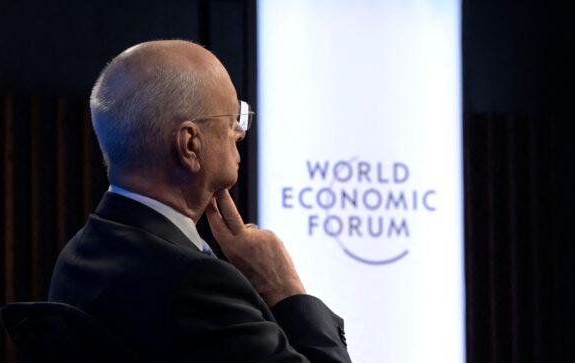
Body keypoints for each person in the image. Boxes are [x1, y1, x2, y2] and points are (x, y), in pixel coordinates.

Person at [48, 40, 352, 362]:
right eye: (232, 117)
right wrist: (284, 288)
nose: (240, 131)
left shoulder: (78, 254)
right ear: (190, 144)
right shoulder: (194, 284)